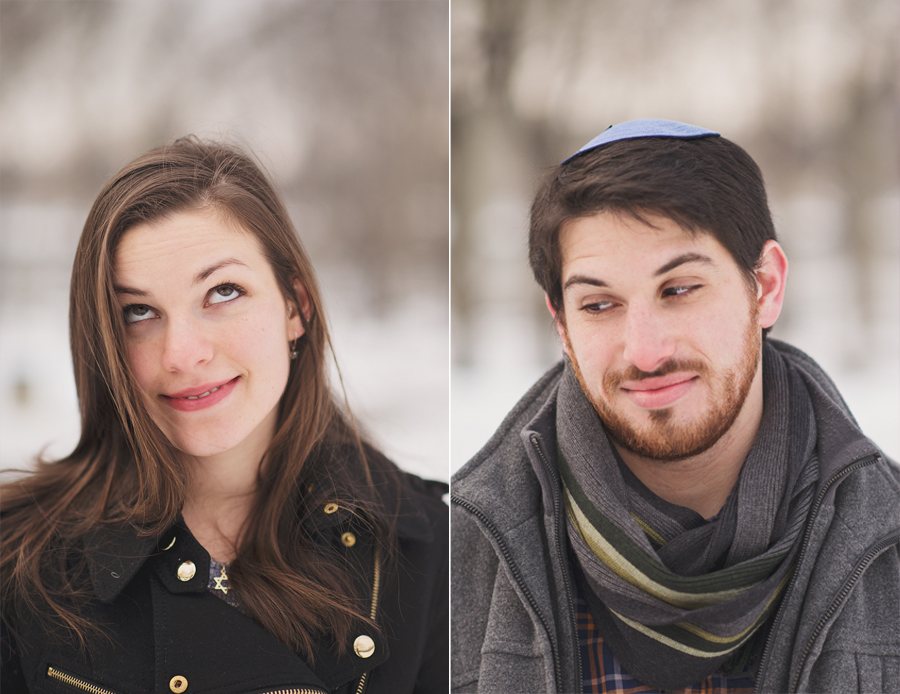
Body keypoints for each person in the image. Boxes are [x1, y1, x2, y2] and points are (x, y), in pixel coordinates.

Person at [450, 119, 900, 693]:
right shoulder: (457, 558)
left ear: (765, 286)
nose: (646, 351)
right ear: (560, 324)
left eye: (680, 289)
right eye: (598, 304)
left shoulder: (888, 541)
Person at [1, 137, 448, 694]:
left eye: (222, 292)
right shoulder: (19, 564)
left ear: (296, 308)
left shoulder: (430, 554)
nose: (181, 354)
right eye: (138, 312)